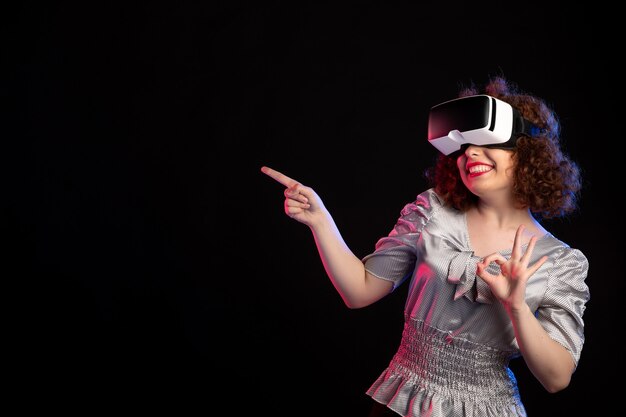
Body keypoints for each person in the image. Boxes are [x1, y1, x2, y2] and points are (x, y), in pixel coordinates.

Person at [260, 76, 590, 417]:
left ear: (528, 153)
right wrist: (320, 221)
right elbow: (359, 291)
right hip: (399, 402)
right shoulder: (432, 212)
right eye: (462, 147)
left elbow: (557, 378)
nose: (470, 153)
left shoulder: (560, 262)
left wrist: (517, 305)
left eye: (487, 142)